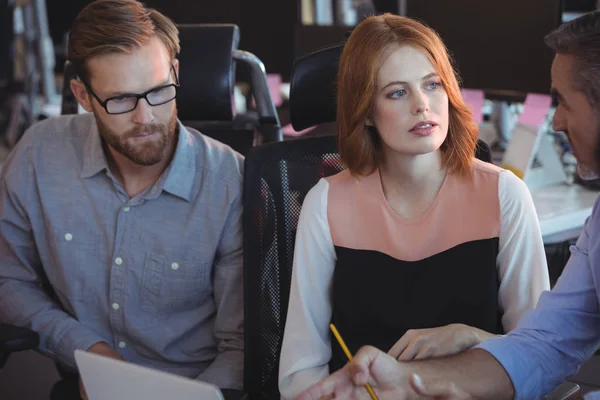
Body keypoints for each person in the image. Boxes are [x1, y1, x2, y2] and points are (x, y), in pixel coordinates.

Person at [297, 9, 600, 400]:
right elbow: (545, 345)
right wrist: (405, 383)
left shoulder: (502, 192)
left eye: (433, 85)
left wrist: (467, 343)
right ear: (365, 110)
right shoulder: (326, 202)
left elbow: (542, 353)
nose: (555, 122)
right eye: (397, 92)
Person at [0, 0, 244, 397]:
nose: (145, 118)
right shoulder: (39, 153)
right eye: (121, 100)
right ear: (82, 94)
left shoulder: (231, 183)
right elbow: (7, 278)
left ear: (175, 73)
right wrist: (87, 350)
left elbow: (243, 345)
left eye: (159, 91)